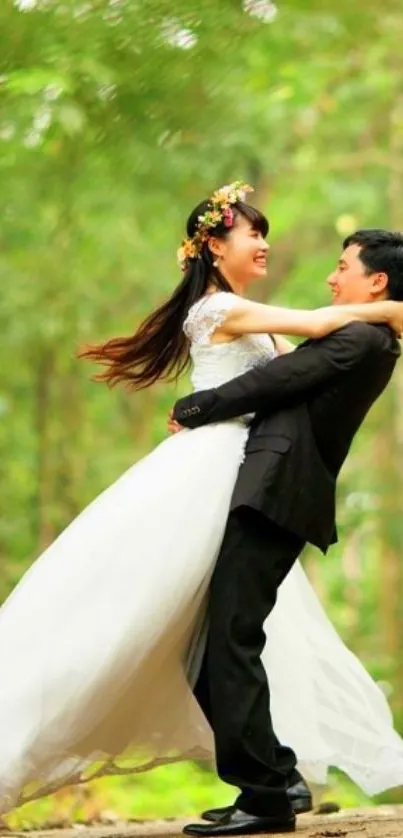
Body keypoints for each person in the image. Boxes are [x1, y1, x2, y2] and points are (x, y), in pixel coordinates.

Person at [0, 183, 402, 820]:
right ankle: (267, 778)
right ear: (215, 247)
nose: (264, 242)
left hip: (241, 475)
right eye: (252, 233)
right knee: (160, 622)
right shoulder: (216, 310)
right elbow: (319, 328)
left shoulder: (248, 312)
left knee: (223, 633)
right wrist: (390, 311)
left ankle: (272, 778)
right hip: (205, 476)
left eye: (265, 232)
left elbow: (296, 372)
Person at [171, 222, 403, 836]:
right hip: (265, 490)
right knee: (218, 639)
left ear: (375, 281)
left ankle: (267, 795)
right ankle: (276, 778)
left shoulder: (364, 339)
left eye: (342, 268)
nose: (332, 277)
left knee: (230, 638)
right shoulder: (367, 333)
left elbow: (274, 381)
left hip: (276, 494)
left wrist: (194, 409)